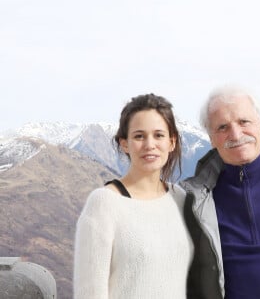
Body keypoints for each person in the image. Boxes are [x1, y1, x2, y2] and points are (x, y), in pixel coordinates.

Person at [180, 85, 260, 299]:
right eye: (222, 127)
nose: (235, 134)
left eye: (244, 122)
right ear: (211, 138)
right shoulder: (193, 200)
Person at [73, 94, 193, 299]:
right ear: (124, 144)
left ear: (172, 142)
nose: (149, 144)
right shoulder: (104, 203)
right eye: (139, 136)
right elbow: (89, 293)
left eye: (159, 135)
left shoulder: (180, 198)